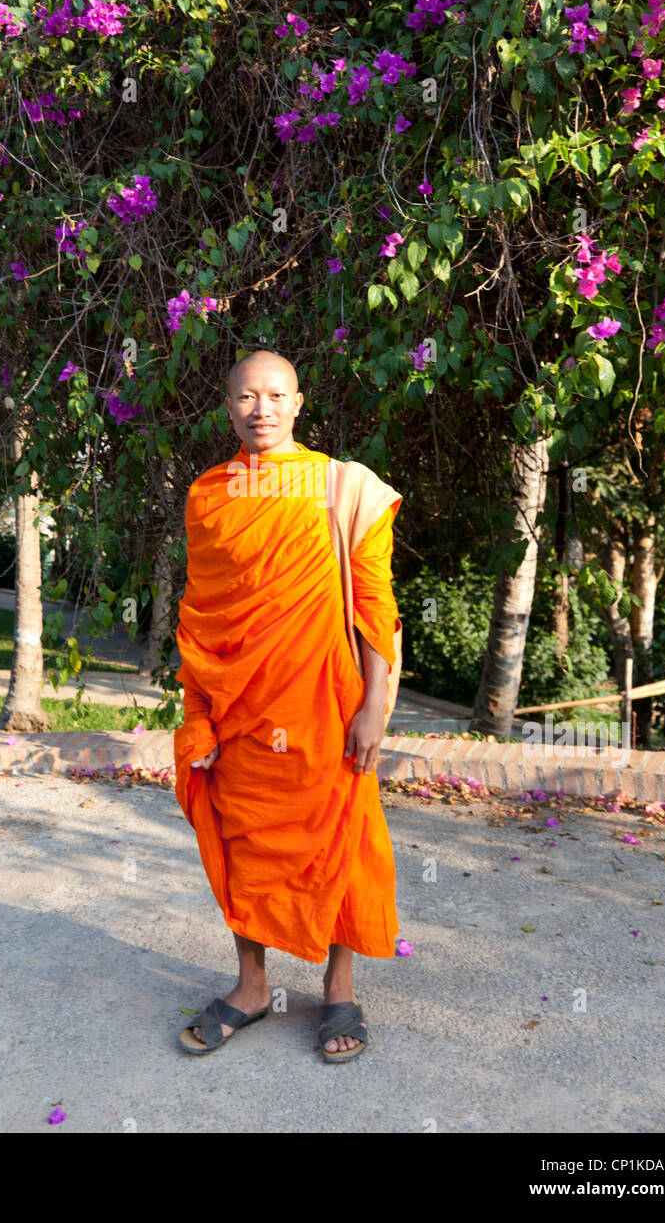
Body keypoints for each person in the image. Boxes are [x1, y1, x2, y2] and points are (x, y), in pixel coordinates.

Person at [173, 349, 403, 1061]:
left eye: (275, 396)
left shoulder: (344, 487)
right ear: (229, 407)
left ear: (299, 403)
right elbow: (205, 616)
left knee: (337, 843)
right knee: (245, 845)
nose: (261, 410)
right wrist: (202, 713)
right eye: (247, 397)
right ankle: (250, 987)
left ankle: (339, 989)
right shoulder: (209, 496)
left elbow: (374, 607)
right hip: (241, 711)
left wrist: (375, 707)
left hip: (325, 704)